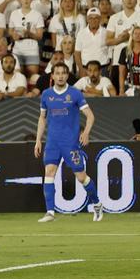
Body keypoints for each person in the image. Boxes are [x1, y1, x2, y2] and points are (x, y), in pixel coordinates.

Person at [34, 62, 100, 223]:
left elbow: (90, 116)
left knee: (81, 177)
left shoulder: (75, 94)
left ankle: (97, 203)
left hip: (70, 143)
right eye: (57, 73)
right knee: (49, 173)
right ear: (53, 76)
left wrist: (85, 133)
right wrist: (38, 140)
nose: (61, 76)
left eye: (63, 73)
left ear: (67, 75)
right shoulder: (46, 94)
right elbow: (42, 118)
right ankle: (50, 212)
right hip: (52, 142)